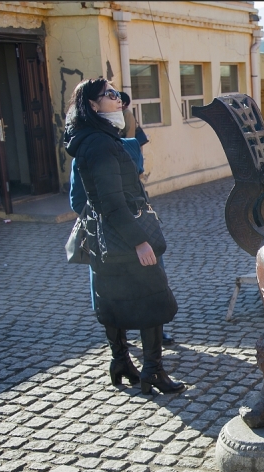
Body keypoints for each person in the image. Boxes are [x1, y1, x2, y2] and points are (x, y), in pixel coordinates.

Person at [64, 77, 185, 394]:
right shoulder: (100, 144)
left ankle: (121, 362)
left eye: (117, 93)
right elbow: (112, 203)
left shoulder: (93, 138)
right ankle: (153, 371)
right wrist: (140, 241)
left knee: (114, 300)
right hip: (123, 238)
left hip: (105, 240)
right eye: (110, 94)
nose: (118, 98)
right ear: (92, 105)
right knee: (153, 302)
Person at [69, 138, 176, 347]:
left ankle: (140, 342)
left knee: (150, 285)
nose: (118, 103)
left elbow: (137, 190)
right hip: (115, 234)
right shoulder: (89, 150)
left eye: (121, 102)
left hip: (134, 231)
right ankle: (123, 346)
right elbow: (78, 199)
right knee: (114, 288)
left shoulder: (129, 146)